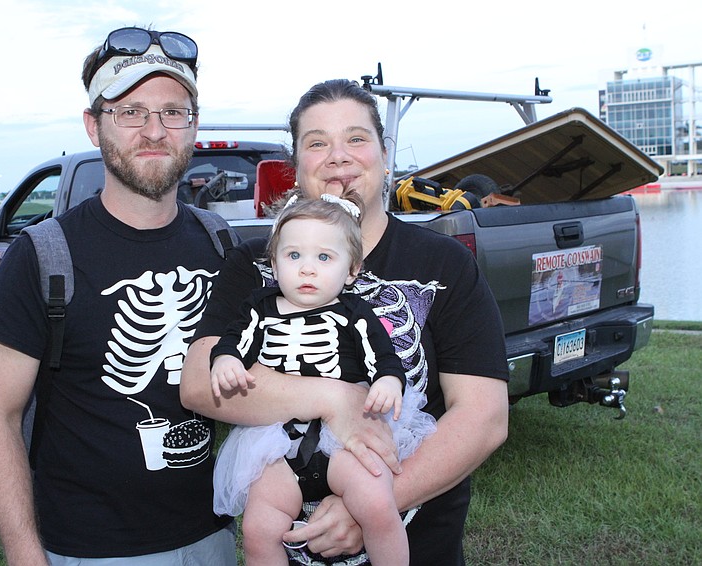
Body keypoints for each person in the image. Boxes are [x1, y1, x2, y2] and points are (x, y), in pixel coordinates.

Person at [181, 78, 510, 565]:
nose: (338, 157)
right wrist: (334, 399)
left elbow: (484, 418)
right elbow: (198, 383)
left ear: (384, 153)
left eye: (356, 138)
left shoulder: (444, 263)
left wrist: (374, 504)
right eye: (317, 143)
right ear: (296, 168)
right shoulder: (255, 264)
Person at [0, 27, 236, 565]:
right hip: (89, 549)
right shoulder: (42, 255)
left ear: (194, 125)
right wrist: (24, 553)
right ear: (94, 126)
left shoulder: (220, 243)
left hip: (212, 538)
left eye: (173, 112)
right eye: (131, 112)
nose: (154, 131)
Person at [210, 194, 436, 565]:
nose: (307, 269)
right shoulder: (259, 307)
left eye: (324, 258)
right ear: (274, 264)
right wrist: (225, 360)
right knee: (259, 528)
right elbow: (235, 341)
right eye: (293, 255)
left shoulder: (354, 313)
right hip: (274, 441)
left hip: (344, 439)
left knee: (378, 506)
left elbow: (383, 358)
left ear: (351, 270)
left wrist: (387, 382)